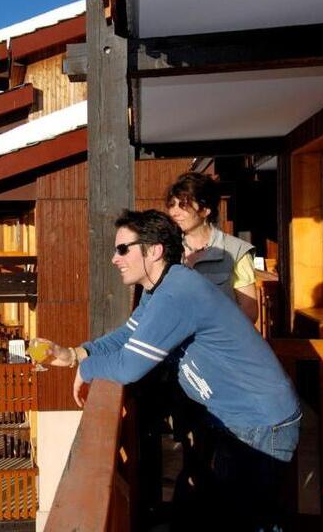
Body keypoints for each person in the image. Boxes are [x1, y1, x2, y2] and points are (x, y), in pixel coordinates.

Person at [44, 209, 300, 531]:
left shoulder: (177, 293)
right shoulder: (160, 290)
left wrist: (86, 367)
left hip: (260, 421)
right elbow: (127, 335)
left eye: (123, 248)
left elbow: (129, 367)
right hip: (238, 418)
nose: (114, 258)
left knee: (250, 520)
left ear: (154, 251)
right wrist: (77, 353)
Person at [166, 172, 258, 323]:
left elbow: (249, 311)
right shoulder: (166, 249)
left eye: (183, 205)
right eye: (172, 205)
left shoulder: (236, 251)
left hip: (218, 343)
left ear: (205, 210)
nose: (174, 212)